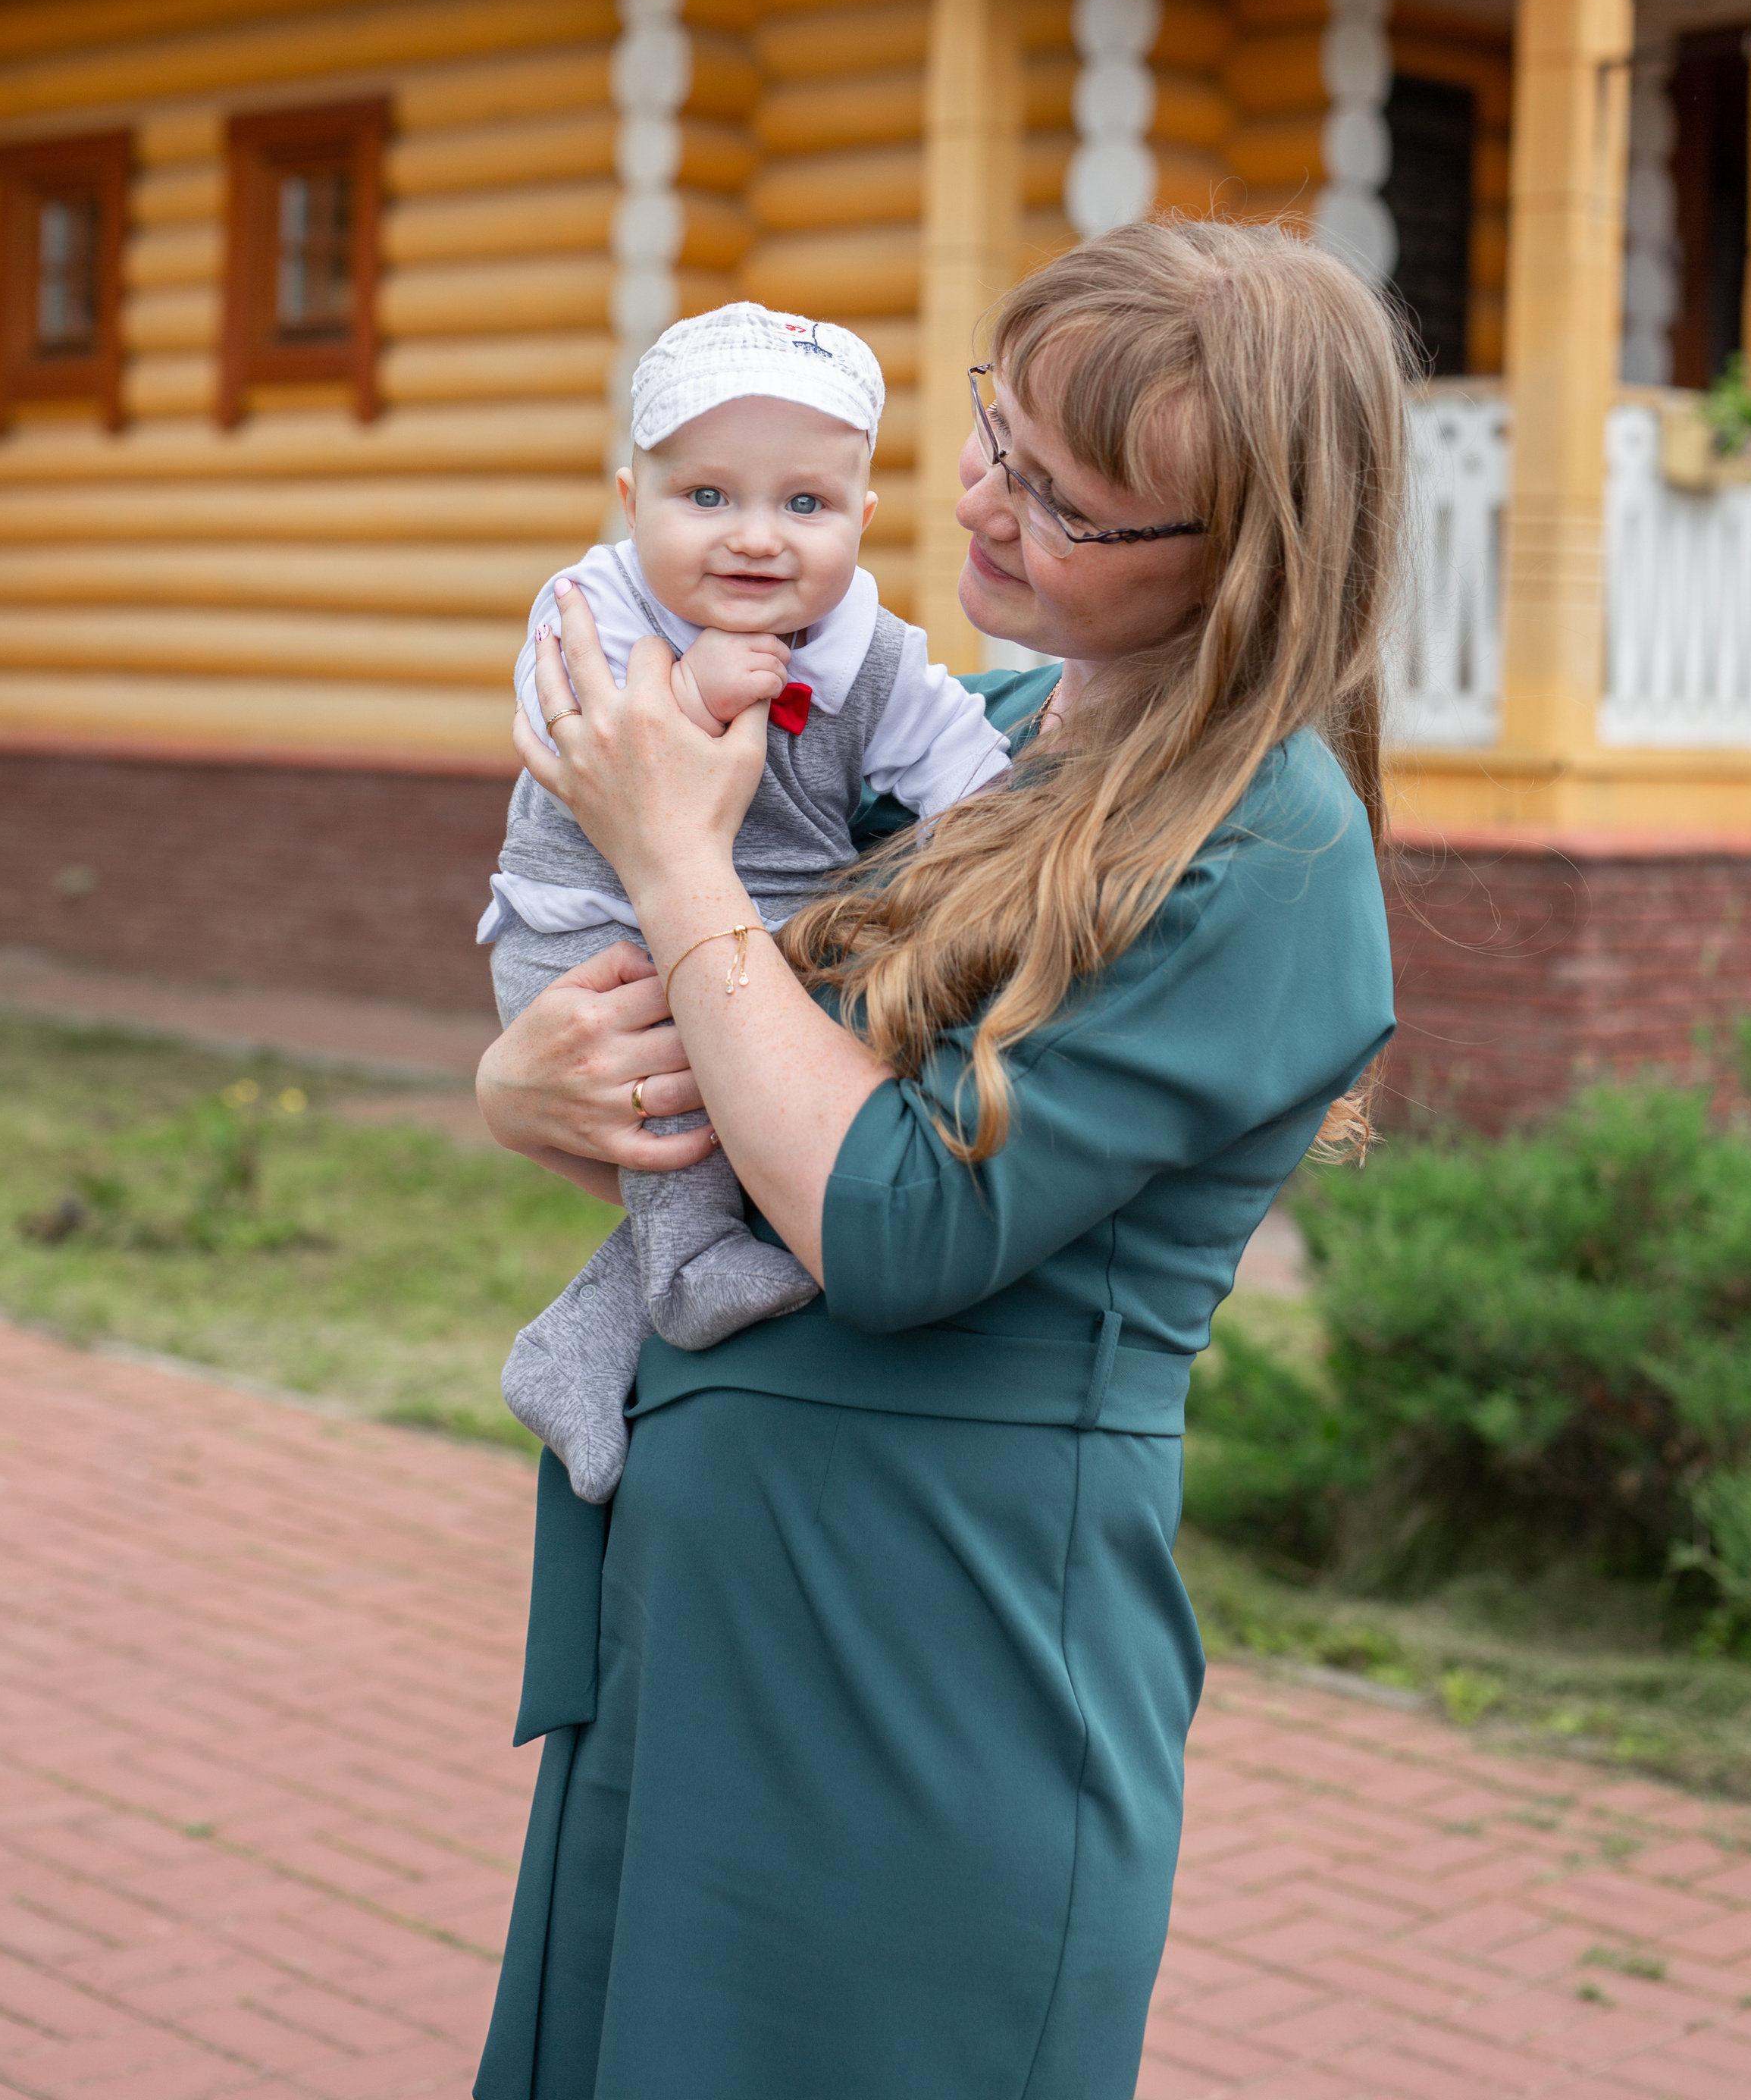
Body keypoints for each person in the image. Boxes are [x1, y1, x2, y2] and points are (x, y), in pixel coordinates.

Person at [472, 219, 1402, 2100]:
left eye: (1061, 502)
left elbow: (893, 1225)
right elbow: (758, 1109)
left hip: (925, 1670)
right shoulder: (980, 739)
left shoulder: (1266, 850)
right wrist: (523, 1088)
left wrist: (673, 863)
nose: (975, 505)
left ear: (1238, 562)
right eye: (993, 433)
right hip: (716, 1625)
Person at [479, 300, 1012, 1502]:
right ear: (633, 503)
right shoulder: (599, 604)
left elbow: (970, 773)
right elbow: (576, 721)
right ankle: (681, 1276)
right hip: (590, 931)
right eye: (707, 498)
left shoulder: (871, 652)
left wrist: (990, 829)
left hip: (768, 941)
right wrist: (691, 687)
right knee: (681, 1084)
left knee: (787, 1082)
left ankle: (581, 1343)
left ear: (863, 520)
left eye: (805, 505)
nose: (756, 540)